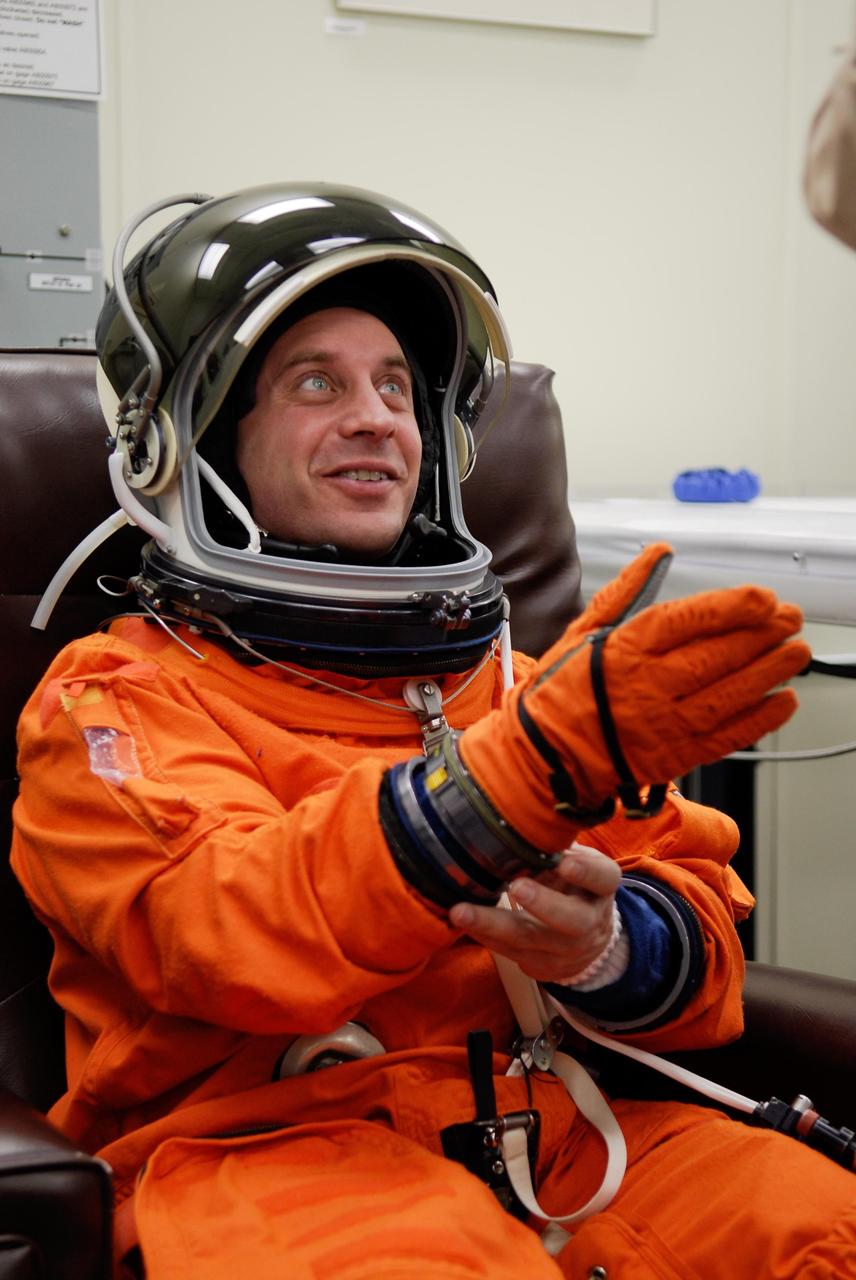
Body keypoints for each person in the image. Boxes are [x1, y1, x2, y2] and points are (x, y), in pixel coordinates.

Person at [11, 184, 855, 1280]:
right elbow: (221, 928)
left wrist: (604, 948)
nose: (374, 417)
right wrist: (506, 785)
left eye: (397, 387)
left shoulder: (522, 688)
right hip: (269, 1160)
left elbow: (703, 934)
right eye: (316, 382)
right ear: (201, 437)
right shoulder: (117, 700)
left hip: (562, 1132)